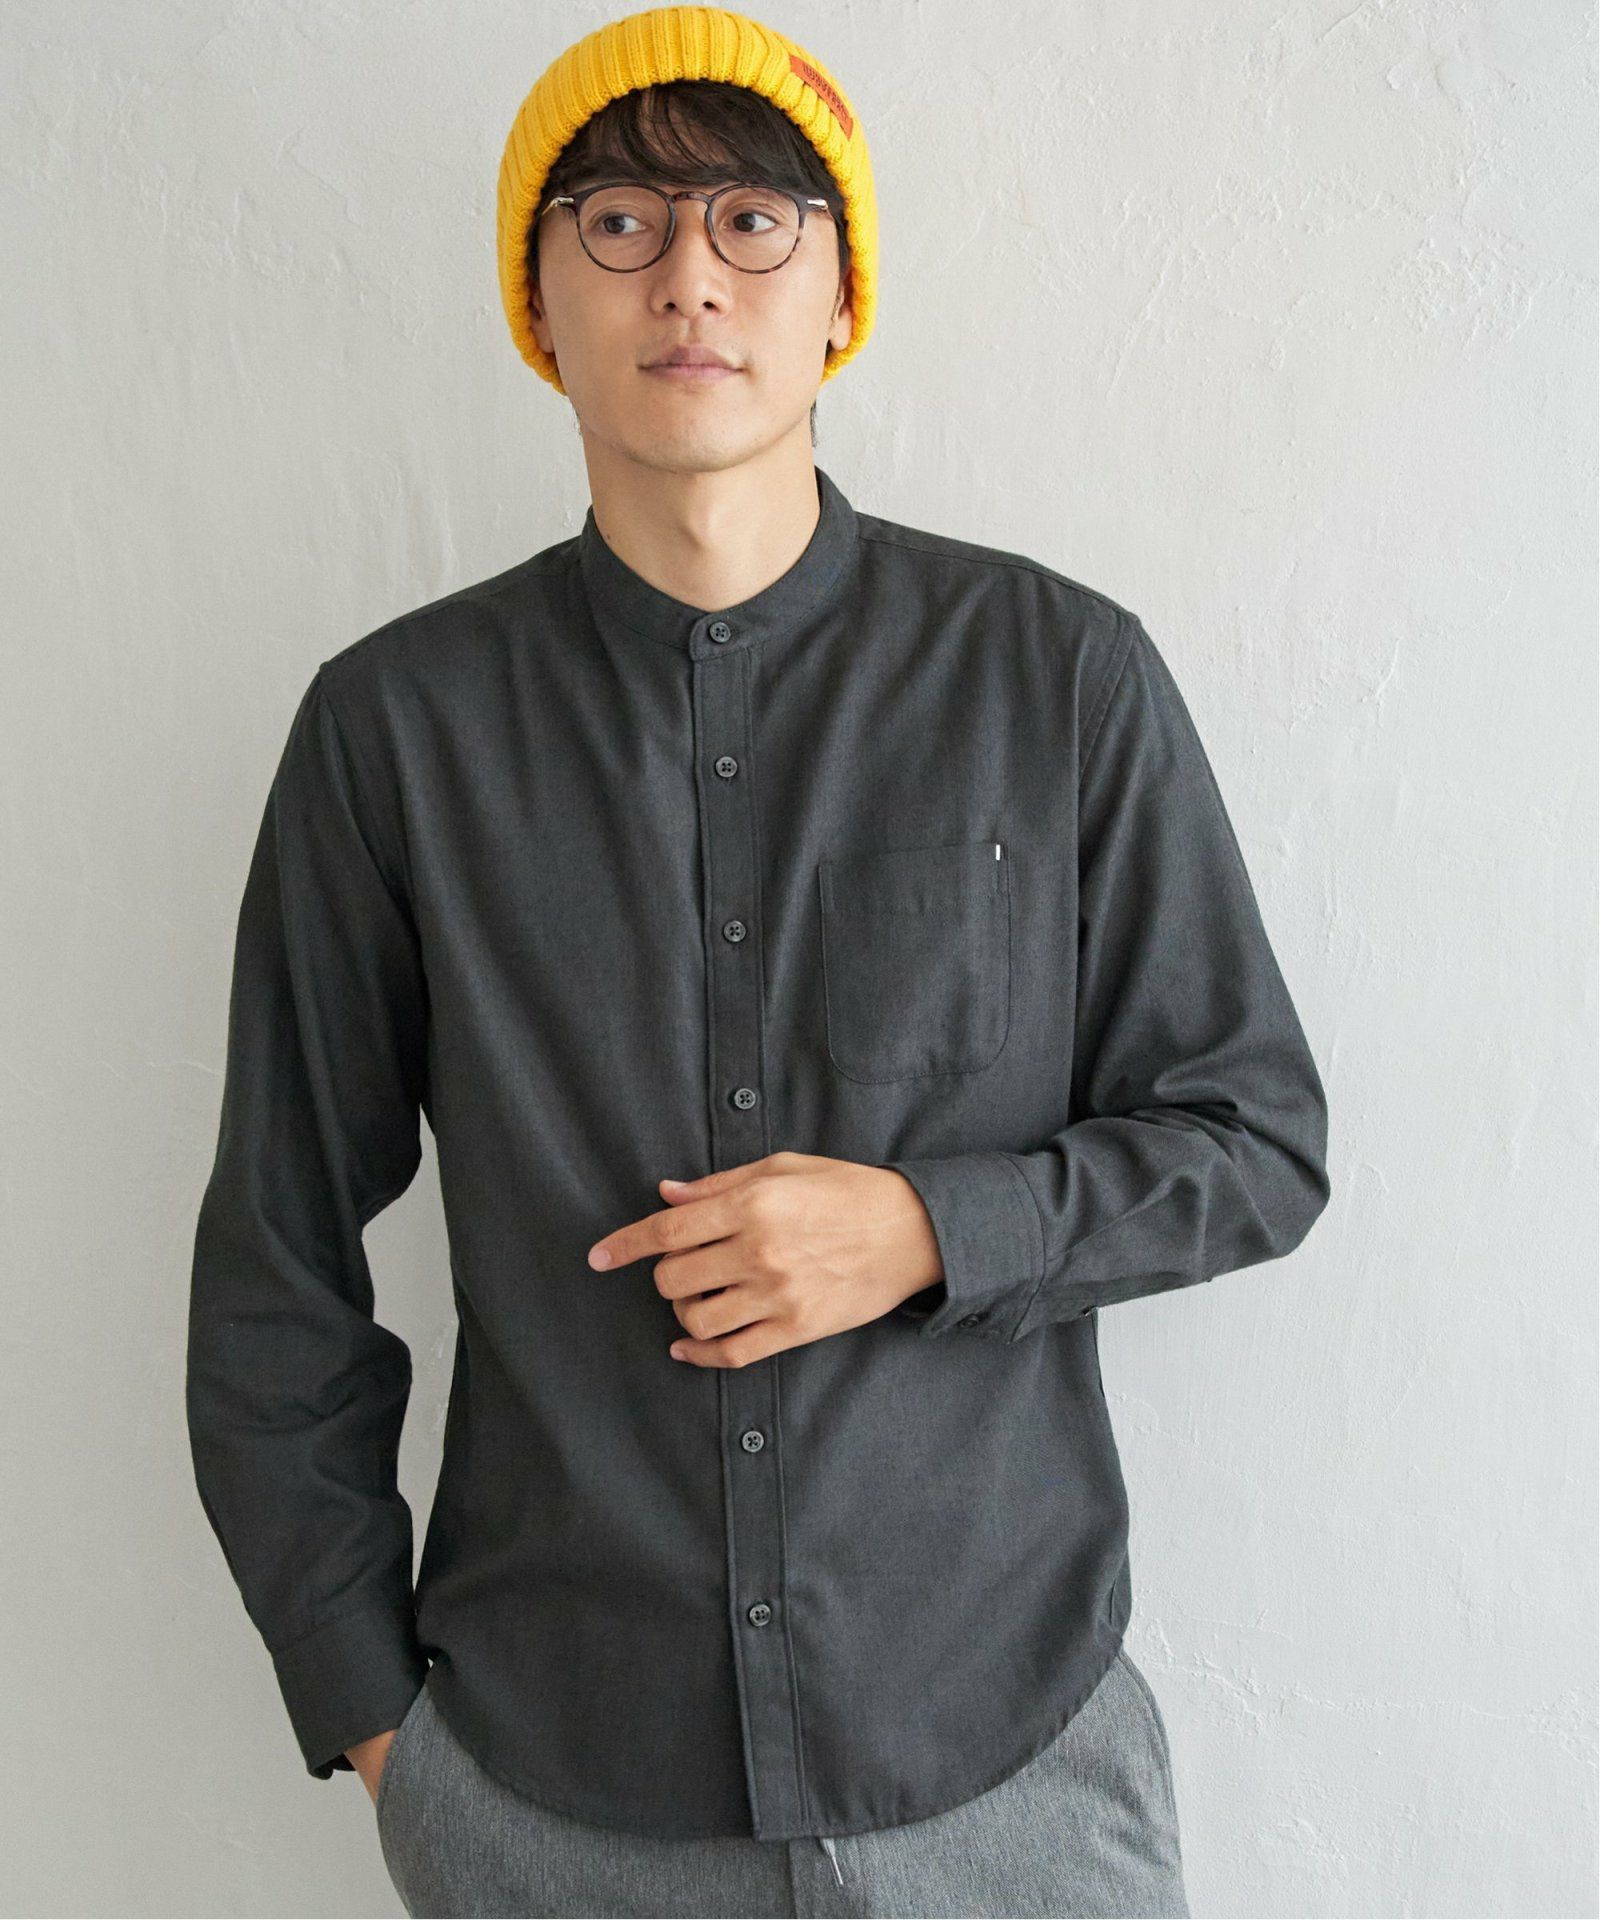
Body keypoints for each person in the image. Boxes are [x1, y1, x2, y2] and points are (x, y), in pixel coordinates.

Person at [185, 7, 1331, 1916]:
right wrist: (375, 1723)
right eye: (619, 223)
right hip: (553, 1787)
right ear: (538, 301)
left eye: (752, 218)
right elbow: (273, 1263)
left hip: (1007, 1768)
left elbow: (1256, 1142)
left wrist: (931, 1229)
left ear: (840, 295)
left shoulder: (1057, 678)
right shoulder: (395, 731)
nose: (690, 277)